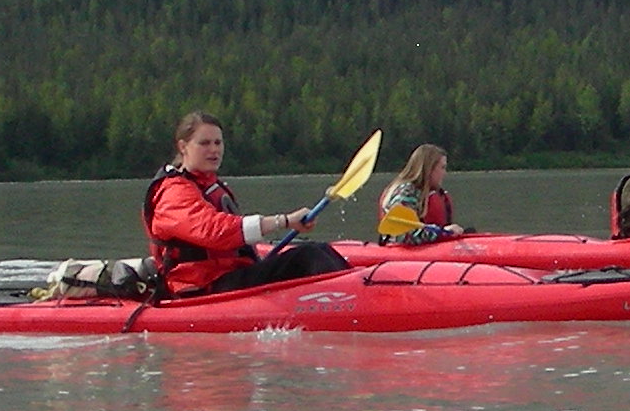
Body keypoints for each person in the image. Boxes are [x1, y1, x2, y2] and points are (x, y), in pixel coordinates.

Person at [142, 110, 353, 296]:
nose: (214, 150)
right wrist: (284, 221)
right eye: (204, 143)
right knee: (308, 257)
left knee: (319, 249)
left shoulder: (207, 184)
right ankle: (354, 298)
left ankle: (355, 290)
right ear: (183, 147)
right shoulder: (173, 192)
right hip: (202, 286)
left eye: (218, 142)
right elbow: (214, 230)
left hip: (227, 275)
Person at [376, 143, 469, 244]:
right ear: (429, 169)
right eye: (442, 167)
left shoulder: (419, 192)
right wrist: (443, 233)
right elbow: (403, 235)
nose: (444, 173)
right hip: (400, 252)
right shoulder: (406, 192)